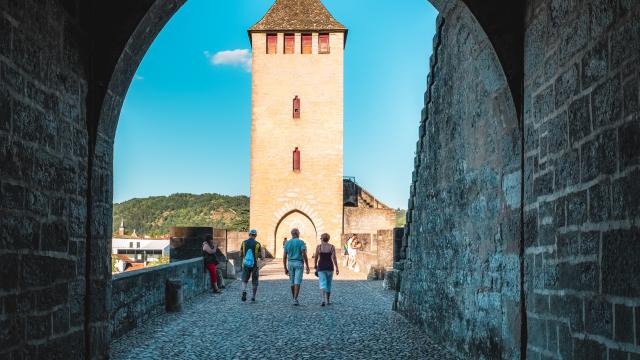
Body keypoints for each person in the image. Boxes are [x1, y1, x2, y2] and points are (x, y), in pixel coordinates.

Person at [283, 228, 310, 306]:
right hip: (298, 263)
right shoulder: (301, 242)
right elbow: (304, 254)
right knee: (297, 281)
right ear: (298, 234)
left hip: (290, 263)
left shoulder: (287, 243)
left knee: (292, 281)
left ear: (292, 234)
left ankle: (294, 298)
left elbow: (284, 256)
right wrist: (307, 266)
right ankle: (295, 299)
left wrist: (285, 268)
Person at [314, 233, 339, 306]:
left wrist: (315, 265)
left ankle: (323, 299)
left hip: (321, 267)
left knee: (322, 283)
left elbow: (316, 257)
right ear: (328, 239)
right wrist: (337, 267)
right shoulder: (332, 247)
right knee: (329, 284)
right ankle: (328, 300)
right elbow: (334, 258)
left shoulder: (319, 247)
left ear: (322, 239)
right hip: (329, 267)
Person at [240, 229, 265, 302]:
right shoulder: (257, 244)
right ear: (256, 235)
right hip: (255, 265)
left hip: (245, 264)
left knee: (244, 280)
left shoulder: (244, 243)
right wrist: (262, 255)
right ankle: (253, 297)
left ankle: (244, 291)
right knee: (255, 281)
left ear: (249, 234)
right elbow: (261, 256)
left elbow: (240, 254)